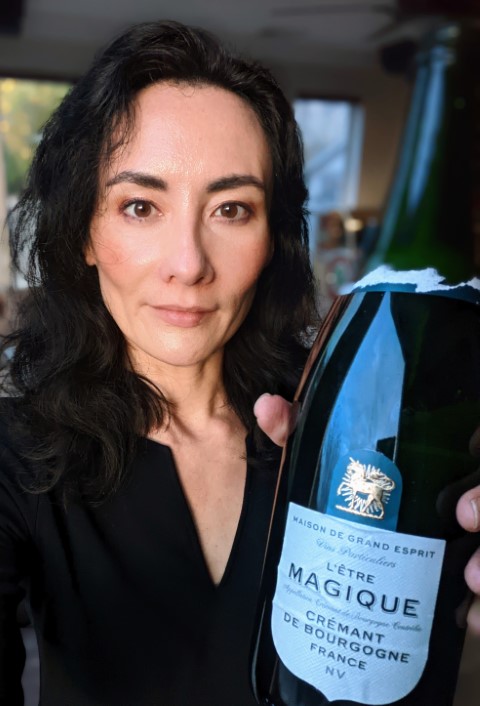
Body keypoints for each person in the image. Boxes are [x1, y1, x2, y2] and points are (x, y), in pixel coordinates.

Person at [0, 18, 478, 706]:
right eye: (140, 205)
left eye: (231, 209)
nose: (189, 264)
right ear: (84, 233)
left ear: (272, 238)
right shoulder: (15, 453)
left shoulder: (330, 423)